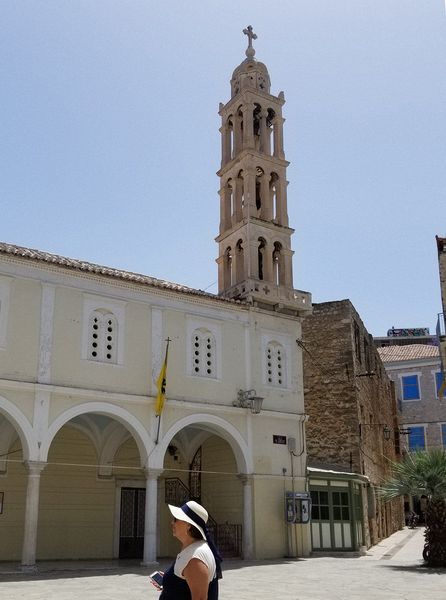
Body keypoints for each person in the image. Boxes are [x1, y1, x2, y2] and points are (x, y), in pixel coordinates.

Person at [154, 500, 222, 600]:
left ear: (189, 526)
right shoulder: (192, 548)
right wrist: (170, 580)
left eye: (176, 519)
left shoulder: (195, 557)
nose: (172, 523)